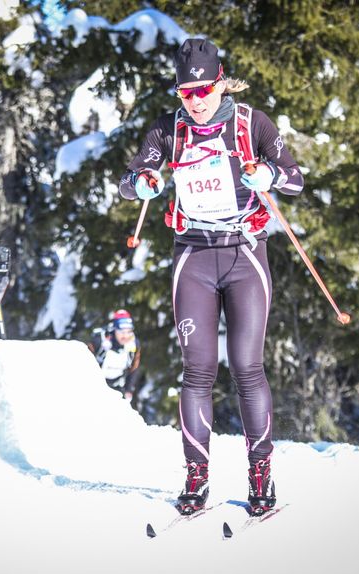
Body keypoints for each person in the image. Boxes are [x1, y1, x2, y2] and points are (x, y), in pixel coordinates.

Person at [117, 38, 304, 516]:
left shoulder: (249, 123)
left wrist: (269, 177)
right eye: (186, 93)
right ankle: (196, 478)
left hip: (245, 254)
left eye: (203, 90)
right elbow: (131, 178)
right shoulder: (169, 130)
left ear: (220, 82)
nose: (196, 101)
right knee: (198, 371)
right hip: (194, 258)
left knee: (247, 367)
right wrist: (144, 182)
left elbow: (294, 176)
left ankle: (260, 475)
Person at [89, 309, 142, 403]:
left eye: (128, 332)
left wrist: (129, 390)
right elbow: (84, 360)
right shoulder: (100, 341)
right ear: (115, 330)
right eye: (121, 332)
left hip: (118, 387)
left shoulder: (134, 344)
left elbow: (134, 368)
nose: (125, 336)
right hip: (95, 386)